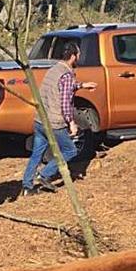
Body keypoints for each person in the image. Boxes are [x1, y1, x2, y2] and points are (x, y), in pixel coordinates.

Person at [21, 42, 96, 196]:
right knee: (70, 150)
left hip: (41, 120)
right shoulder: (67, 74)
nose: (79, 57)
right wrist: (72, 123)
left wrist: (82, 85)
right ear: (73, 56)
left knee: (37, 153)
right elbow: (65, 102)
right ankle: (44, 175)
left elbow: (61, 87)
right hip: (55, 123)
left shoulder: (54, 69)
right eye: (79, 54)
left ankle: (27, 187)